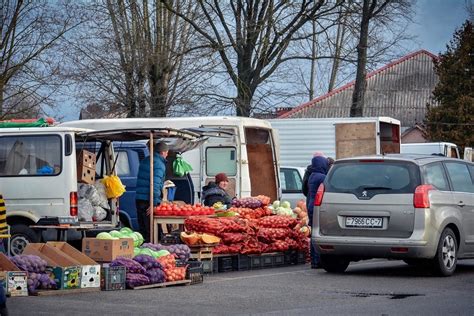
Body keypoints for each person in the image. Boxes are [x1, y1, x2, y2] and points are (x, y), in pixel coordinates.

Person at [135, 141, 169, 243]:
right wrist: (153, 203)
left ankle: (143, 252)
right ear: (163, 152)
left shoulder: (146, 160)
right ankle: (153, 253)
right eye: (167, 152)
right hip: (148, 200)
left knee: (143, 231)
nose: (167, 155)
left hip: (139, 198)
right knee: (152, 232)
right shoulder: (159, 164)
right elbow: (155, 185)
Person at [306, 155, 329, 269]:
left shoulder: (312, 175)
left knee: (313, 233)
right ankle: (317, 260)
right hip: (316, 207)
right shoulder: (322, 177)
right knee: (317, 234)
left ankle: (314, 261)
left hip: (311, 205)